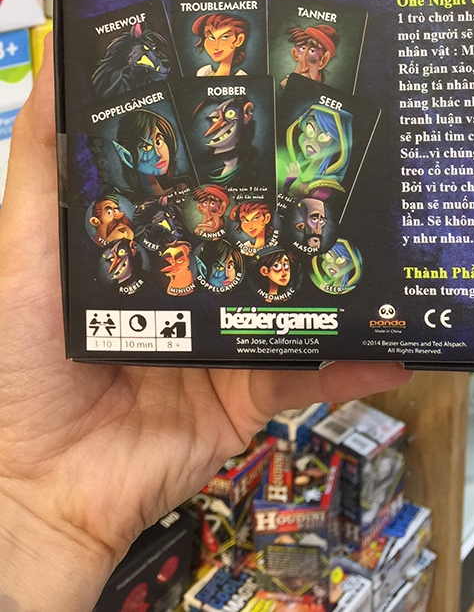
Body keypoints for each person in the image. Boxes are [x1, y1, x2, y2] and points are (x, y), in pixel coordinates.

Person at [0, 39, 411, 611]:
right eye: (146, 145)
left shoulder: (288, 187)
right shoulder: (151, 223)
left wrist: (34, 516)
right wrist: (28, 507)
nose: (158, 151)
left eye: (161, 140)